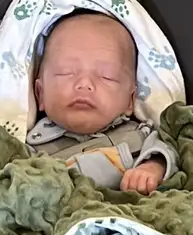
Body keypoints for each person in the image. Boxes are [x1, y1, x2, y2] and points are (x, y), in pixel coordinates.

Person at [27, 11, 175, 194]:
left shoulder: (141, 136)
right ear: (40, 93)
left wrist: (151, 168)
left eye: (107, 76)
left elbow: (171, 151)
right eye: (66, 72)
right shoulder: (28, 151)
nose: (84, 84)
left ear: (130, 101)